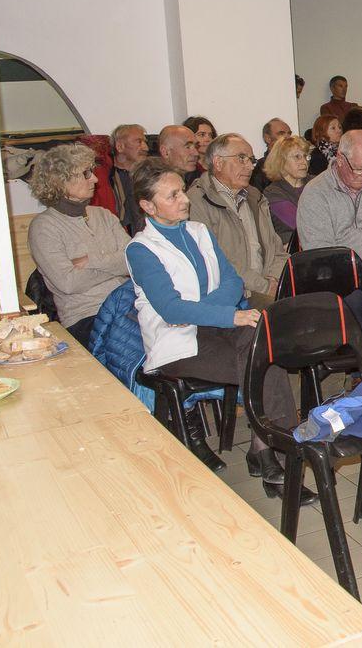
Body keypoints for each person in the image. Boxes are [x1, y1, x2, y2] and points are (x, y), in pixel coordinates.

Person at [125, 158, 311, 503]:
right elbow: (169, 308)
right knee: (262, 358)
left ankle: (268, 451)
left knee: (260, 347)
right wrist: (221, 314)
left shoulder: (199, 232)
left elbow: (232, 281)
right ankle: (272, 454)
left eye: (182, 191)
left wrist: (206, 312)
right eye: (173, 196)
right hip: (177, 343)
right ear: (147, 206)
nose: (184, 200)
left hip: (213, 329)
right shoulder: (141, 249)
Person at [28, 143, 131, 344]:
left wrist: (90, 261)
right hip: (86, 316)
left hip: (127, 304)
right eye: (86, 173)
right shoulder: (43, 227)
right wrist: (115, 262)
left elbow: (133, 260)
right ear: (61, 181)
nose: (94, 178)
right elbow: (69, 283)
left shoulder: (103, 215)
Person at [187, 133, 286, 306]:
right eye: (241, 158)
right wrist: (264, 286)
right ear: (218, 163)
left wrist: (275, 281)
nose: (250, 166)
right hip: (231, 296)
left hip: (268, 289)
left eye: (251, 159)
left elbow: (276, 249)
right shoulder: (197, 200)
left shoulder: (255, 197)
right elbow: (217, 261)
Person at [296, 130, 362, 285]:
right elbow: (320, 256)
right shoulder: (316, 194)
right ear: (340, 159)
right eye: (359, 169)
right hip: (341, 279)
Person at [262, 134, 312, 248]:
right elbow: (299, 224)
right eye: (297, 157)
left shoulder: (316, 183)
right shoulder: (273, 192)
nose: (304, 162)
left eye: (306, 156)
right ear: (281, 161)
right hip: (295, 255)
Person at [110, 123, 149, 234]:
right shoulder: (105, 178)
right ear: (120, 147)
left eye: (145, 142)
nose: (146, 147)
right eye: (139, 141)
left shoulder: (150, 175)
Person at [250, 118, 292, 191]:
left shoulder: (299, 162)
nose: (287, 137)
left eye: (289, 133)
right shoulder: (260, 170)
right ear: (267, 138)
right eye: (281, 133)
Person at [307, 114, 342, 178]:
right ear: (322, 132)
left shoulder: (344, 151)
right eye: (333, 128)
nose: (339, 130)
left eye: (339, 127)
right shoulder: (316, 155)